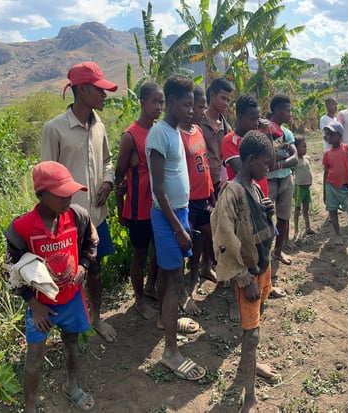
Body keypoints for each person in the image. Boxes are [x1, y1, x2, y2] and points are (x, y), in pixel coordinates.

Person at [4, 161, 98, 413]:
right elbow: (10, 272)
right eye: (61, 194)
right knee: (34, 358)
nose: (68, 198)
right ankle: (30, 406)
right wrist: (33, 304)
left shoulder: (77, 217)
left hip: (71, 299)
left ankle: (72, 385)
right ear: (41, 195)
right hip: (40, 305)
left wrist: (84, 266)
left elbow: (91, 244)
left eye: (70, 193)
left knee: (72, 344)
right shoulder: (21, 228)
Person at [40, 61, 117, 343]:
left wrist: (107, 182)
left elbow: (108, 160)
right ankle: (69, 327)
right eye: (100, 90)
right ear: (82, 90)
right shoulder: (55, 129)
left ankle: (95, 318)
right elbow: (46, 176)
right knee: (65, 274)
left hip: (95, 215)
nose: (104, 95)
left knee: (95, 268)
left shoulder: (100, 127)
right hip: (66, 221)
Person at [210, 131, 278, 413]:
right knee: (251, 335)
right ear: (250, 160)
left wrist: (268, 211)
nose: (268, 168)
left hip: (263, 266)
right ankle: (249, 396)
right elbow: (225, 239)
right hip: (248, 273)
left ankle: (247, 367)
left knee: (255, 325)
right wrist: (243, 278)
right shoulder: (233, 191)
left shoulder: (255, 187)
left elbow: (252, 224)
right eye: (265, 163)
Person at [146, 75, 206, 381]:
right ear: (171, 102)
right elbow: (158, 188)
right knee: (171, 283)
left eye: (193, 106)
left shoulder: (175, 131)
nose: (191, 111)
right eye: (186, 105)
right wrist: (178, 228)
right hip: (168, 217)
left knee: (171, 279)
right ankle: (170, 351)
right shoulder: (160, 134)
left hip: (179, 215)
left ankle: (165, 321)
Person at [114, 81, 161, 320]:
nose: (159, 106)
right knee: (139, 254)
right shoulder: (130, 136)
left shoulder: (159, 130)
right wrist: (121, 209)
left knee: (158, 251)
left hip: (157, 205)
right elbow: (119, 175)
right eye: (155, 101)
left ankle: (150, 287)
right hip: (138, 208)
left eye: (161, 102)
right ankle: (139, 299)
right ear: (143, 102)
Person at [180, 87, 214, 317]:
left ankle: (197, 274)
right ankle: (182, 291)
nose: (203, 111)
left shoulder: (198, 131)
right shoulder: (177, 136)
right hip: (188, 201)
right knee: (186, 245)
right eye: (200, 106)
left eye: (203, 106)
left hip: (204, 197)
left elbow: (206, 166)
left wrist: (212, 193)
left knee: (205, 237)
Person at [266, 94, 298, 266]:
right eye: (287, 110)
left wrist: (278, 164)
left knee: (284, 217)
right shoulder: (264, 130)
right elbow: (268, 155)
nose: (289, 113)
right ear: (277, 111)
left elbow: (295, 158)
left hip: (285, 179)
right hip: (268, 181)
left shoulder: (287, 133)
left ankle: (278, 251)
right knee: (266, 217)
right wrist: (281, 155)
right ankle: (265, 252)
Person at [223, 94, 270, 198]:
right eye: (253, 119)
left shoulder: (258, 137)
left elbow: (271, 163)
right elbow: (241, 170)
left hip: (262, 196)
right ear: (240, 117)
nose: (257, 123)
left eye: (258, 119)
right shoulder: (229, 140)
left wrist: (268, 135)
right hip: (243, 199)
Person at [199, 77, 234, 199]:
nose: (226, 103)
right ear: (212, 95)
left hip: (219, 185)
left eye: (228, 100)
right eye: (223, 98)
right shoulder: (197, 122)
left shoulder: (226, 128)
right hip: (199, 185)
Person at [292, 138, 315, 239]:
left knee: (306, 209)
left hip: (306, 189)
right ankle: (296, 230)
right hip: (299, 188)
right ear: (296, 148)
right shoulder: (295, 160)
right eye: (303, 146)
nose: (305, 148)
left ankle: (308, 228)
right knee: (297, 209)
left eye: (306, 146)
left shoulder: (307, 158)